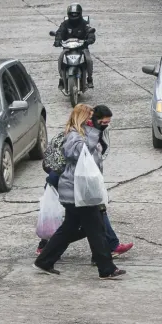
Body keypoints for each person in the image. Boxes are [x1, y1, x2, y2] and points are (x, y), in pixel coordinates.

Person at [34, 104, 126, 280]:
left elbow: (99, 152)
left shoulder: (90, 133)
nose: (96, 122)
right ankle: (106, 268)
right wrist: (94, 131)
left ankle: (44, 260)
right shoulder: (74, 135)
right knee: (96, 229)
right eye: (91, 118)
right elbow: (76, 152)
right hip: (77, 192)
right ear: (84, 119)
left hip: (82, 191)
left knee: (69, 229)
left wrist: (100, 130)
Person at [54, 3, 95, 90]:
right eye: (72, 14)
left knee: (89, 60)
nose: (74, 15)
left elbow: (89, 31)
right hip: (67, 48)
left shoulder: (84, 23)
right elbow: (59, 32)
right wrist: (57, 40)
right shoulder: (65, 24)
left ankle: (89, 79)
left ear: (80, 13)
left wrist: (89, 40)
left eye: (76, 13)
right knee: (60, 59)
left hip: (82, 48)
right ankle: (61, 78)